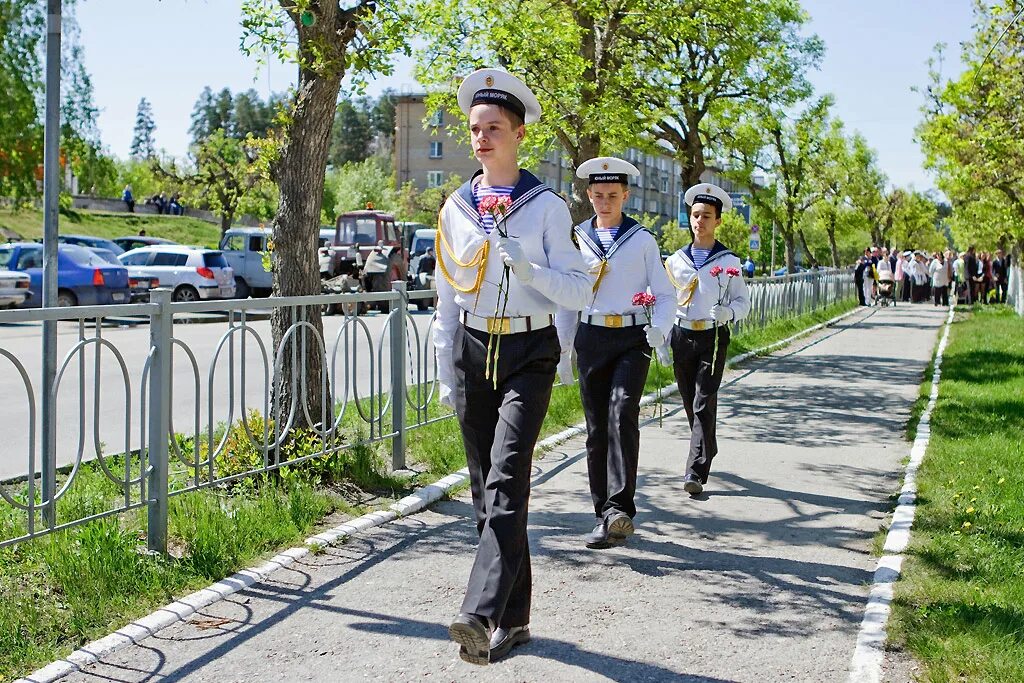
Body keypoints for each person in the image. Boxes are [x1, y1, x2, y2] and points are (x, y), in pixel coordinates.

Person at [433, 68, 592, 666]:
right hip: (474, 349)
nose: (480, 138)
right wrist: (444, 364)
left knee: (507, 474)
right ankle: (515, 619)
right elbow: (446, 292)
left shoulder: (548, 208)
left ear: (519, 133)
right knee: (485, 488)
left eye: (493, 128)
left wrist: (533, 274)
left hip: (530, 350)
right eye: (474, 129)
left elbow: (577, 291)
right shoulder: (456, 206)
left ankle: (479, 614)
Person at [554, 156, 675, 550]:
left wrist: (661, 327)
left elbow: (665, 291)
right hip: (591, 336)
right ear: (588, 196)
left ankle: (621, 507)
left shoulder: (641, 240)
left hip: (631, 336)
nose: (605, 202)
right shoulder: (577, 238)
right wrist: (564, 349)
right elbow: (569, 299)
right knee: (595, 429)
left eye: (613, 195)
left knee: (622, 412)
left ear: (625, 195)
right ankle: (603, 515)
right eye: (598, 195)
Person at [664, 183, 751, 495]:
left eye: (706, 216)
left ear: (718, 221)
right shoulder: (675, 261)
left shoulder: (728, 261)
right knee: (690, 401)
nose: (699, 221)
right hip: (681, 334)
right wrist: (662, 339)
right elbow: (666, 301)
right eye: (695, 215)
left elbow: (744, 302)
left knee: (703, 402)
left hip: (712, 338)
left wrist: (728, 312)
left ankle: (695, 472)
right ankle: (707, 446)